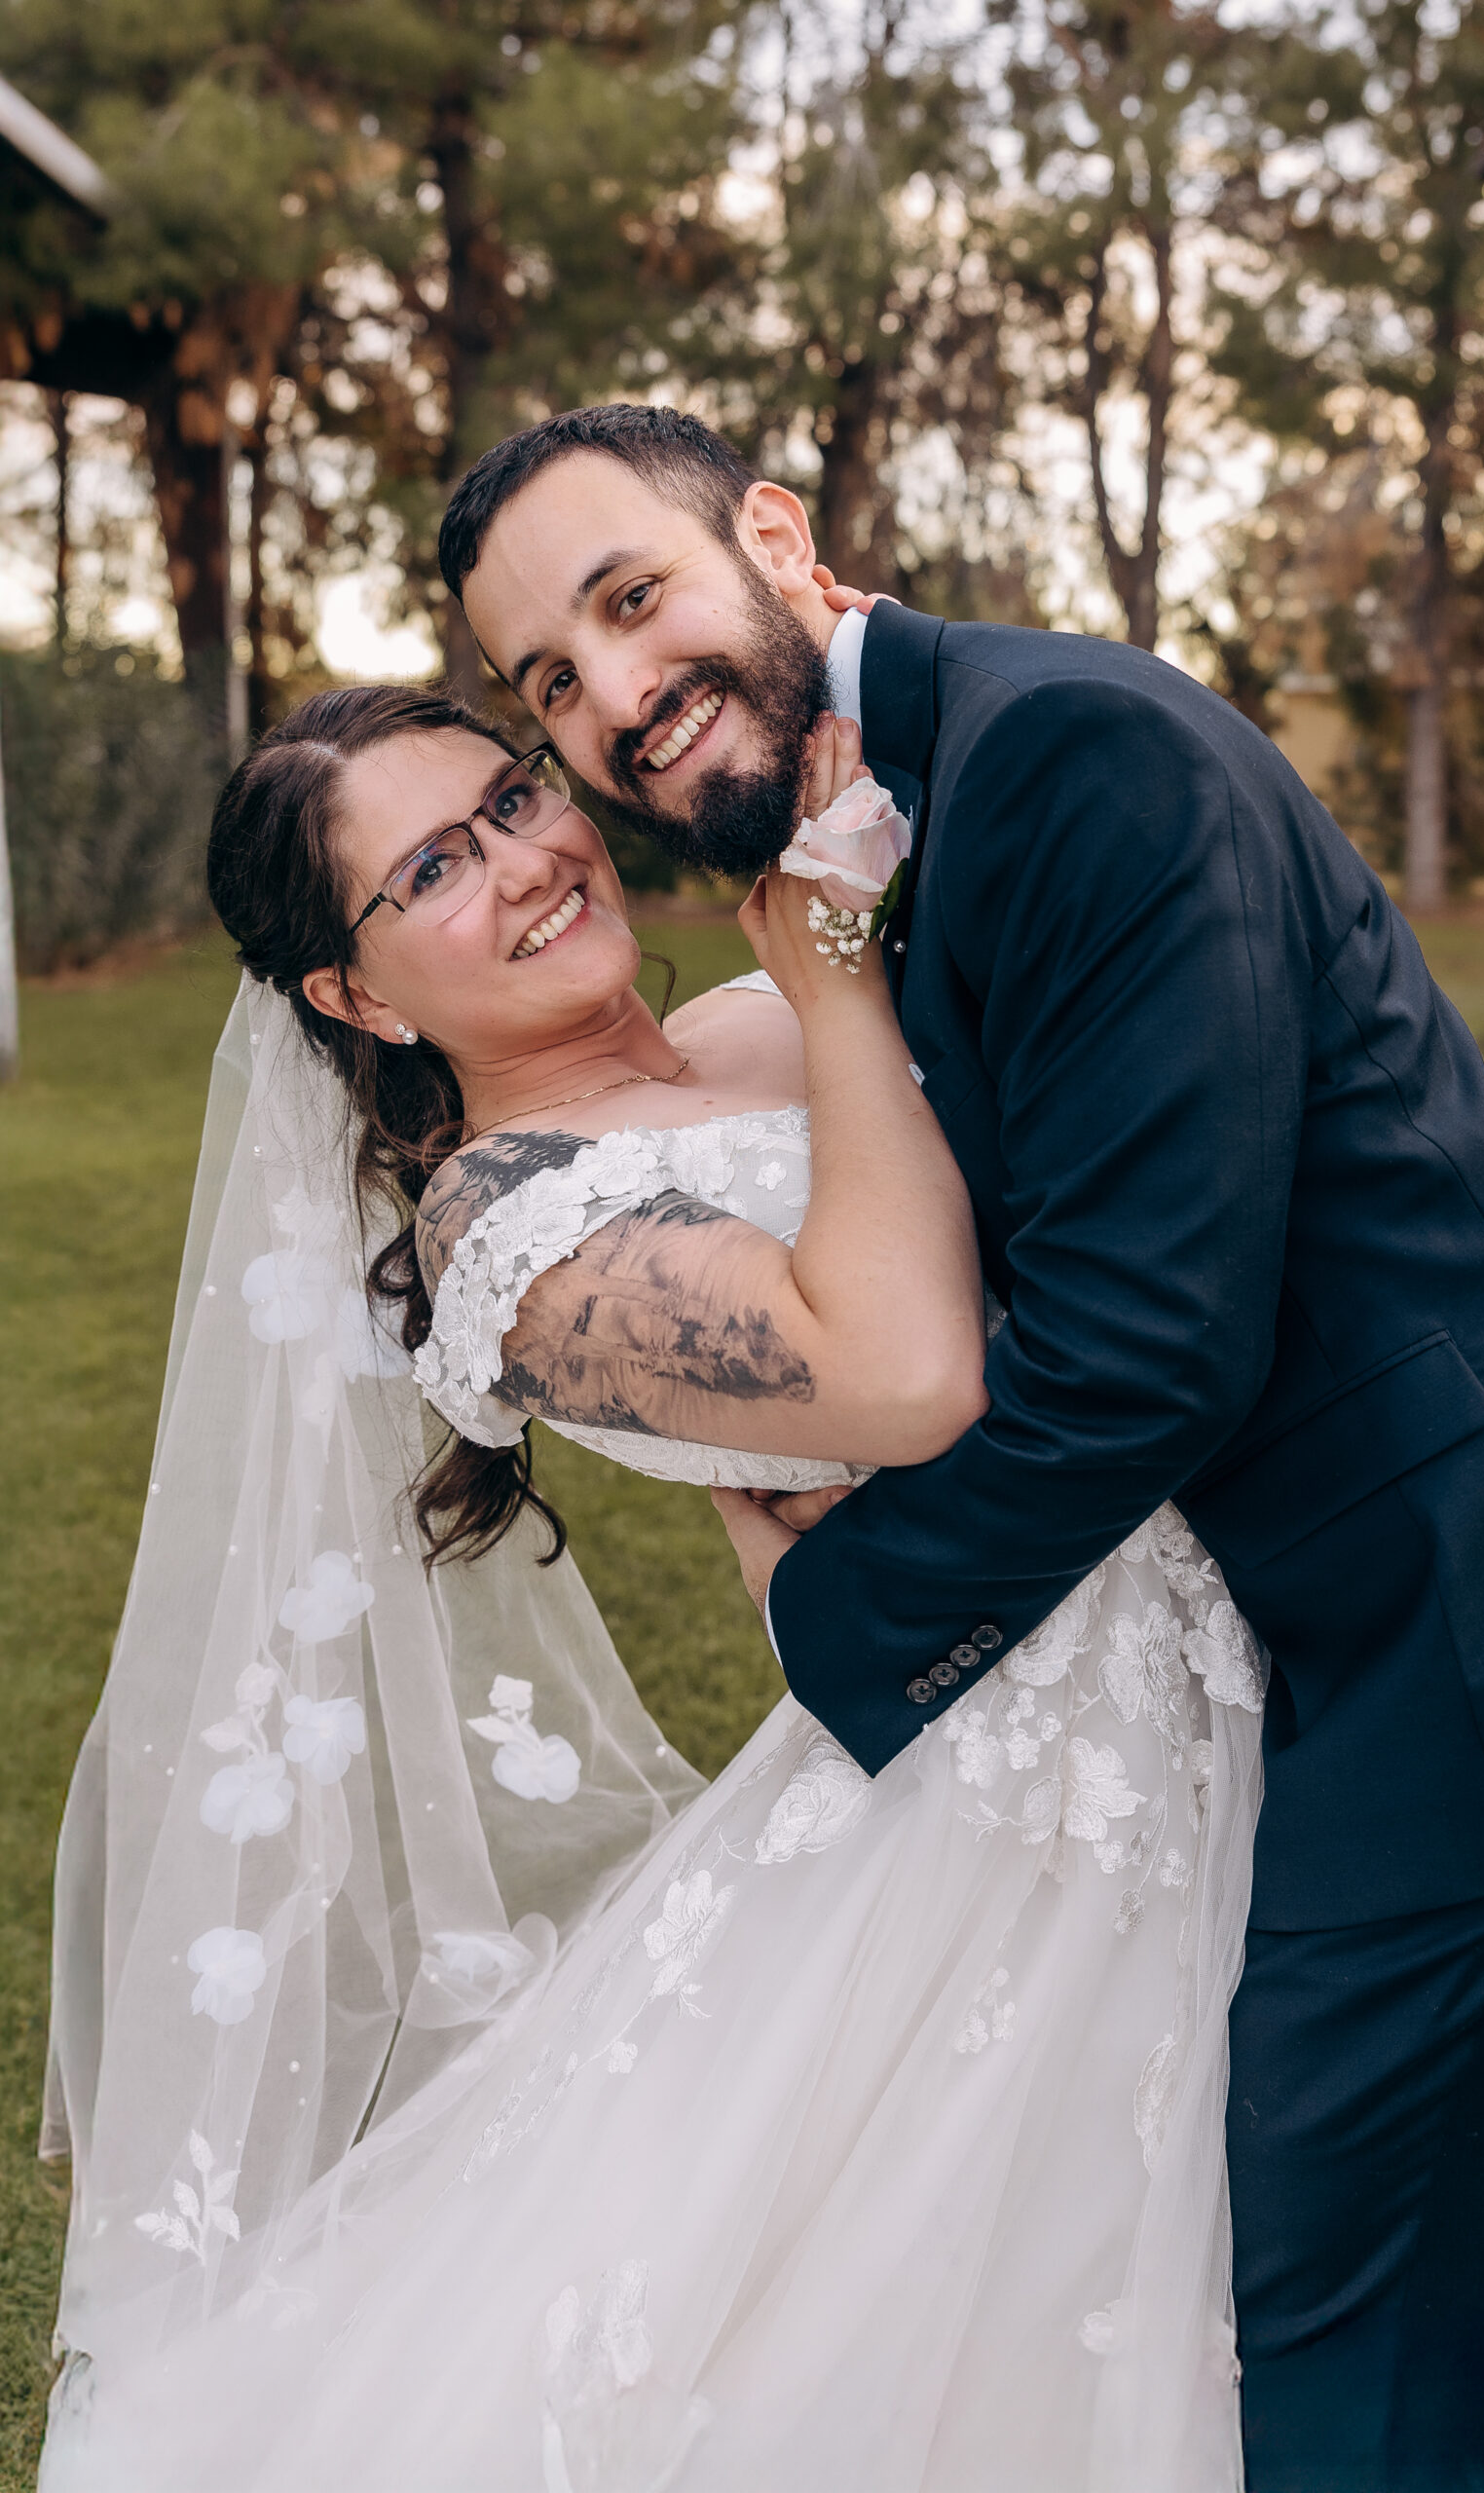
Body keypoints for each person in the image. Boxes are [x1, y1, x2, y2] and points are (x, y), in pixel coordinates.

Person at [436, 402, 1484, 2492]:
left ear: (776, 535)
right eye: (550, 680)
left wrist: (834, 1609)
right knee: (1293, 2328)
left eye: (630, 602)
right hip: (1355, 1630)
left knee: (1335, 2366)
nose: (615, 701)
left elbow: (1142, 1353)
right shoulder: (847, 839)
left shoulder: (1067, 755)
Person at [38, 685, 1264, 2491]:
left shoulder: (758, 1020)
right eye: (434, 871)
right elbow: (909, 1370)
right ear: (356, 999)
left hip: (1170, 1642)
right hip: (1020, 1766)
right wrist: (847, 985)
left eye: (515, 796)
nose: (529, 860)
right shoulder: (513, 1241)